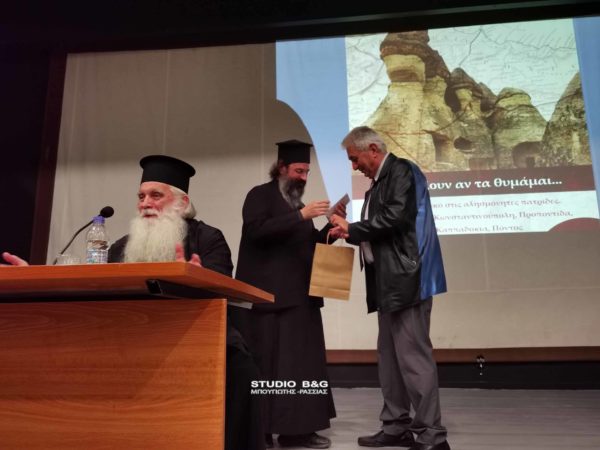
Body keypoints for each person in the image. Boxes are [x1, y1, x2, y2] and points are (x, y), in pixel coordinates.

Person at [2, 155, 265, 450]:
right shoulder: (121, 246)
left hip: (195, 338)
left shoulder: (208, 238)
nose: (145, 203)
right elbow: (95, 290)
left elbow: (224, 289)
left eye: (156, 195)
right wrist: (34, 278)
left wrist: (196, 276)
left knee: (239, 369)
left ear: (181, 203)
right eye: (141, 197)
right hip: (132, 340)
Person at [330, 126, 450, 450]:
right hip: (390, 282)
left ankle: (432, 436)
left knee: (413, 359)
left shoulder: (402, 171)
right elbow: (383, 232)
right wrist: (347, 231)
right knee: (390, 360)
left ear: (372, 149)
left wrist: (353, 228)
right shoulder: (379, 182)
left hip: (408, 281)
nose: (354, 166)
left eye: (355, 159)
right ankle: (396, 426)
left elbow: (396, 217)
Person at [234, 140, 344, 449]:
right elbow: (256, 231)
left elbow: (306, 246)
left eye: (307, 172)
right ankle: (262, 431)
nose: (303, 177)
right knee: (269, 369)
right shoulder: (260, 195)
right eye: (298, 171)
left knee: (301, 368)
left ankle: (299, 430)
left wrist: (329, 233)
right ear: (281, 168)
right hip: (270, 302)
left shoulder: (297, 206)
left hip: (301, 299)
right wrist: (302, 216)